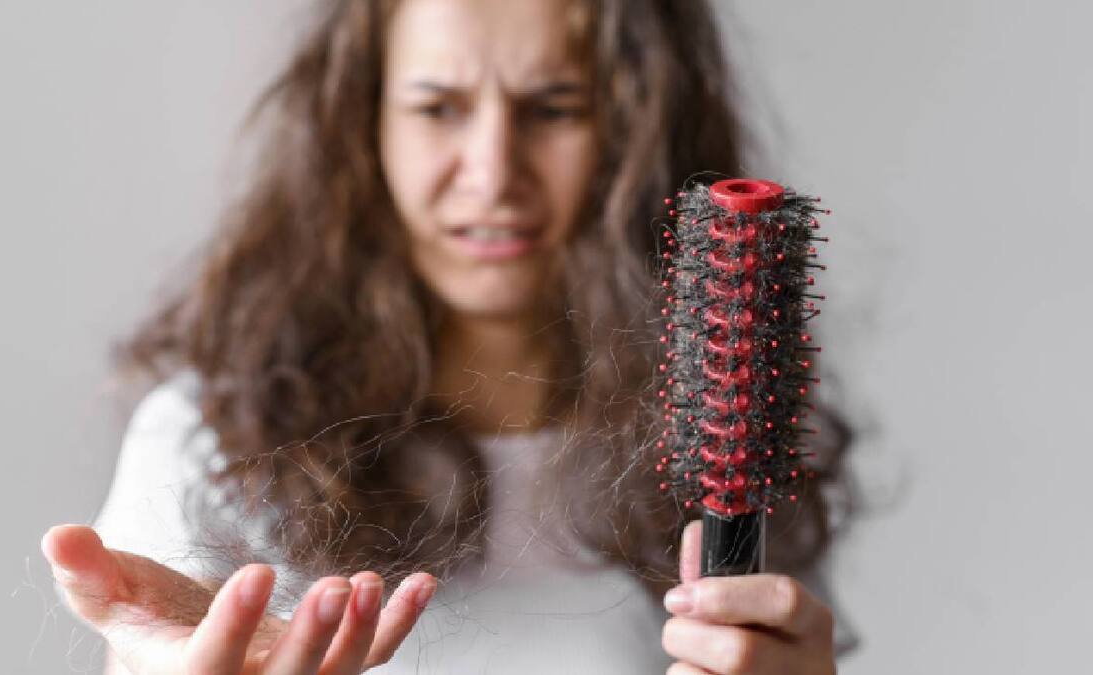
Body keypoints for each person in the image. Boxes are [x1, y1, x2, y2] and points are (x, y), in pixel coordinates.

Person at [41, 0, 848, 672]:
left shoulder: (726, 439)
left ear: (637, 131)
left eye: (553, 108)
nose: (493, 171)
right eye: (437, 108)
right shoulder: (206, 442)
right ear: (365, 127)